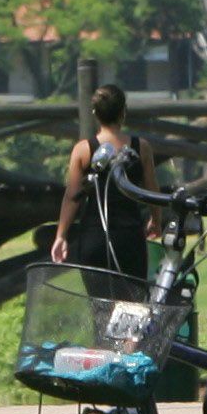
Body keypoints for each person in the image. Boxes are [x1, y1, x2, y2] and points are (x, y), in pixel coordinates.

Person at [49, 82, 147, 275]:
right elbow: (151, 189)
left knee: (97, 301)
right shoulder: (141, 147)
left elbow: (72, 196)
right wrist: (156, 221)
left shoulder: (83, 149)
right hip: (130, 235)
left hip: (95, 234)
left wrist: (61, 235)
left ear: (95, 113)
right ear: (123, 112)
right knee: (134, 301)